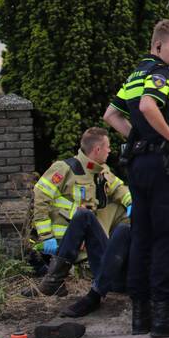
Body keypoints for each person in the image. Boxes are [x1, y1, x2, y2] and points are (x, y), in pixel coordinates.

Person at [104, 19, 169, 338]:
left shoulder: (136, 74)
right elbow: (148, 106)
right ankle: (164, 315)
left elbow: (111, 114)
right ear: (157, 45)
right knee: (168, 238)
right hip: (162, 167)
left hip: (139, 165)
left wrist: (139, 139)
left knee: (141, 238)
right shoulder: (160, 73)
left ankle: (140, 315)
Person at [29, 127, 131, 299]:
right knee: (84, 215)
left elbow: (119, 189)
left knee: (121, 208)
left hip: (87, 243)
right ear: (97, 149)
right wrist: (46, 236)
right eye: (107, 147)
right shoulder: (65, 168)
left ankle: (115, 260)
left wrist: (131, 203)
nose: (110, 150)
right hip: (61, 242)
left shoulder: (101, 171)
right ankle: (55, 279)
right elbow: (41, 198)